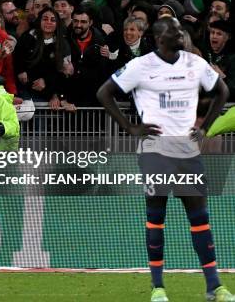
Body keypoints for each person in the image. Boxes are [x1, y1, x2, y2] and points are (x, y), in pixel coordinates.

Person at [96, 17, 234, 302]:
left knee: (200, 218)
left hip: (187, 152)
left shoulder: (194, 63)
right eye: (172, 29)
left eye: (180, 29)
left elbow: (222, 91)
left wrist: (205, 127)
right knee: (156, 218)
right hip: (155, 152)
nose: (179, 32)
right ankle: (158, 287)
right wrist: (131, 127)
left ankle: (214, 286)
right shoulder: (140, 66)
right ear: (159, 37)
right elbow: (104, 92)